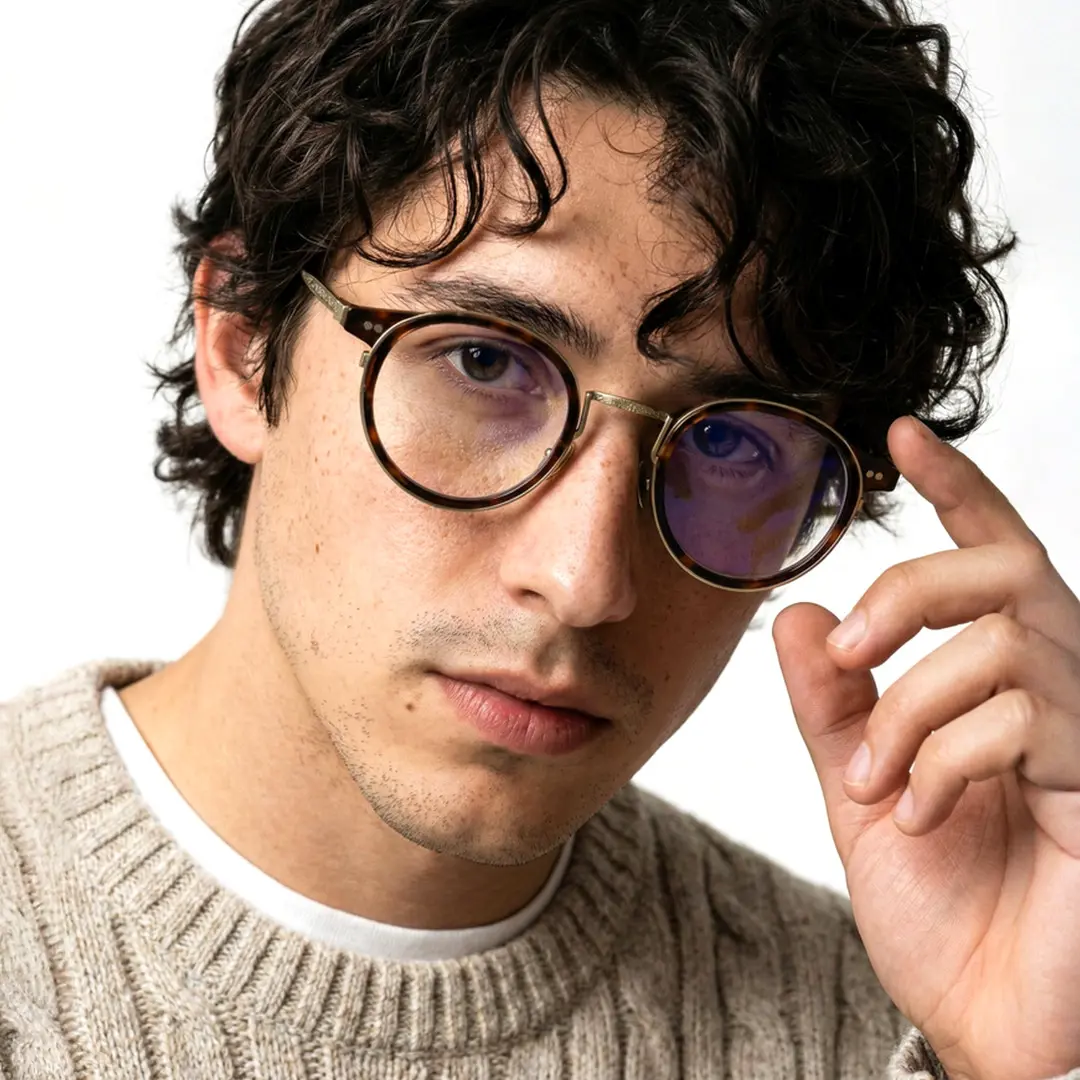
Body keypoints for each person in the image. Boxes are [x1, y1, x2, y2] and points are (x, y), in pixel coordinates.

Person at [3, 0, 1080, 1076]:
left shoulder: (897, 1026)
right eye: (484, 363)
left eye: (737, 446)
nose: (584, 579)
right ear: (242, 347)